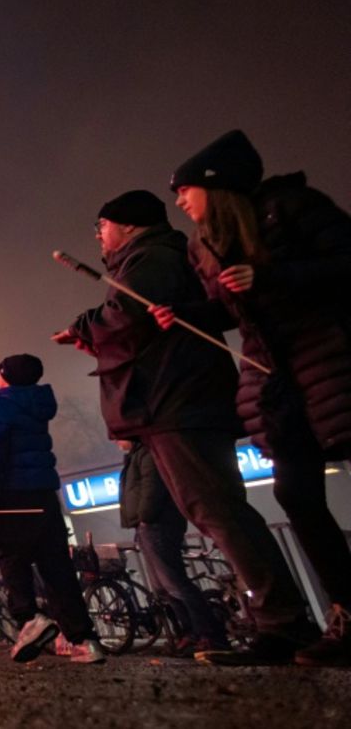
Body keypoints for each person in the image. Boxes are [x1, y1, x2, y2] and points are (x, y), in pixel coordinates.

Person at [52, 187, 314, 666]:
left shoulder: (151, 259)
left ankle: (284, 623)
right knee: (214, 512)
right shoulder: (155, 258)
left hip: (178, 404)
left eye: (103, 225)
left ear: (128, 225)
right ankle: (279, 620)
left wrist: (88, 326)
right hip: (173, 404)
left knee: (218, 511)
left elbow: (125, 317)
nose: (98, 236)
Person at [156, 129, 351, 666]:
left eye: (185, 188)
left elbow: (343, 263)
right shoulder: (205, 245)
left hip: (330, 361)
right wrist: (187, 316)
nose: (179, 200)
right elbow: (231, 311)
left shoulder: (288, 208)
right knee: (298, 495)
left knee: (300, 494)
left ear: (216, 186)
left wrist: (271, 275)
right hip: (279, 382)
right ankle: (345, 614)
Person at [0, 354, 105, 664]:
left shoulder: (0, 407)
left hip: (13, 495)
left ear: (5, 375)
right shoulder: (38, 402)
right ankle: (84, 640)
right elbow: (14, 408)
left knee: (10, 556)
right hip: (45, 494)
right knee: (57, 566)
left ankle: (30, 618)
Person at [117, 439, 229, 655]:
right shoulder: (137, 456)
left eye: (119, 437)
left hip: (157, 524)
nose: (116, 442)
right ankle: (190, 633)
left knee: (175, 583)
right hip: (148, 526)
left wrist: (145, 517)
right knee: (164, 587)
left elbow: (152, 487)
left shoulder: (147, 454)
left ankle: (209, 633)